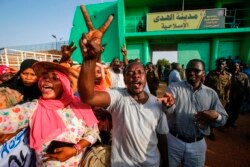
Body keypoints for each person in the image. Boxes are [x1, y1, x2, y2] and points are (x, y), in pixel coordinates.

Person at [78, 5, 172, 166]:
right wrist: (89, 60)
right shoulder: (118, 96)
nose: (135, 75)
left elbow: (162, 136)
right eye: (130, 73)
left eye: (139, 72)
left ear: (145, 77)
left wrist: (167, 162)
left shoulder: (157, 103)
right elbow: (88, 97)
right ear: (124, 79)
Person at [0, 61, 99, 166]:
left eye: (55, 78)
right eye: (44, 77)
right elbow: (7, 118)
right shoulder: (34, 108)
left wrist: (76, 149)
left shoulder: (80, 106)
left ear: (65, 84)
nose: (46, 79)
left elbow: (93, 132)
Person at [160, 59, 228, 167]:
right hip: (174, 141)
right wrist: (168, 105)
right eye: (189, 70)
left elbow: (223, 119)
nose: (192, 73)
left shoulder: (211, 93)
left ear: (203, 73)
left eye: (196, 70)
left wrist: (216, 116)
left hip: (197, 144)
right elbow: (168, 110)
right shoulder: (174, 87)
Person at [204, 57, 231, 140]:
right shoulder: (211, 74)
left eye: (223, 64)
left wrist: (227, 98)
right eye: (219, 64)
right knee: (210, 113)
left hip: (221, 99)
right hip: (211, 98)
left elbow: (228, 88)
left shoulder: (228, 76)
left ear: (225, 65)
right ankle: (210, 130)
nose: (220, 65)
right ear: (216, 64)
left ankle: (214, 128)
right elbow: (205, 85)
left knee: (218, 114)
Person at [225, 61, 249, 128]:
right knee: (227, 111)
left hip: (239, 98)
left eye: (237, 65)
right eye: (234, 65)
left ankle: (233, 121)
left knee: (236, 111)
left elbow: (247, 87)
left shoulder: (244, 76)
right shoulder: (228, 75)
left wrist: (248, 96)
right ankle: (226, 123)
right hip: (229, 97)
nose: (236, 67)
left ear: (239, 67)